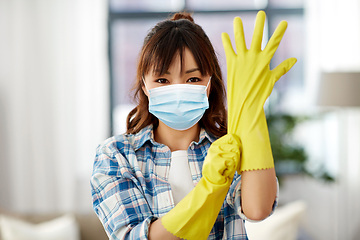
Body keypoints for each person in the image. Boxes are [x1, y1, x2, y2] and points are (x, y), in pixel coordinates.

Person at [91, 10, 296, 240]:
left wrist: (251, 107)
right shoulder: (116, 155)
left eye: (192, 79)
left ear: (209, 84)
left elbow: (258, 210)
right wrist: (209, 189)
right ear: (145, 85)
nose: (178, 88)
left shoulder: (229, 147)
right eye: (162, 80)